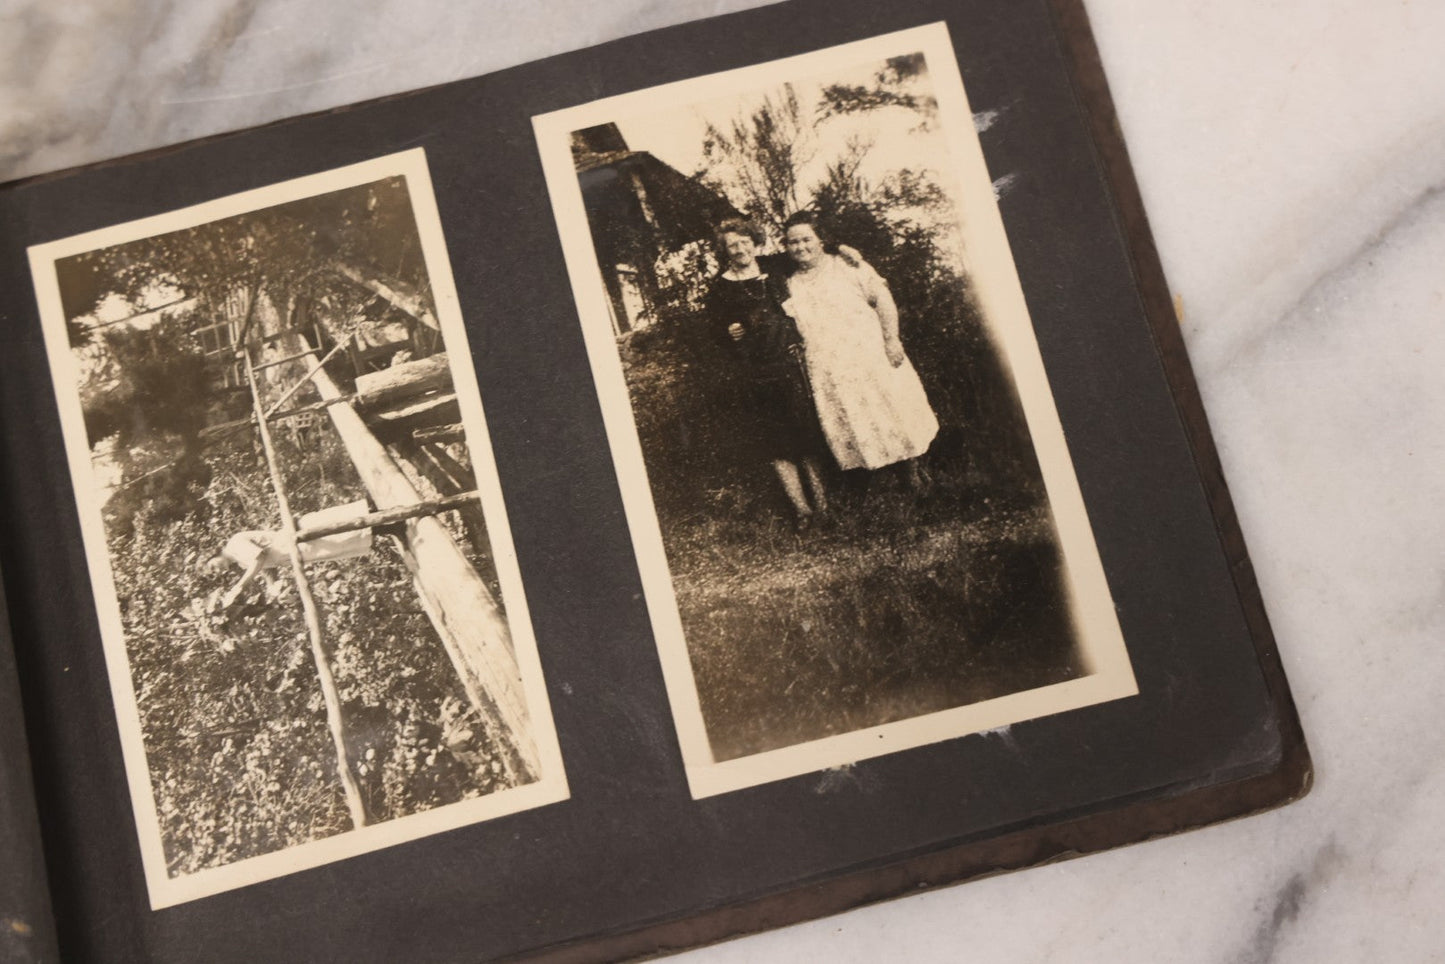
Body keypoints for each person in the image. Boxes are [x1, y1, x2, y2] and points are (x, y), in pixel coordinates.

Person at [779, 211, 938, 484]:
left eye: (806, 239)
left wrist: (892, 339)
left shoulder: (848, 265)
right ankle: (879, 482)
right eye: (793, 242)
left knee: (893, 408)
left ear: (821, 241)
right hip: (830, 367)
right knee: (857, 419)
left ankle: (914, 474)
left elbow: (883, 300)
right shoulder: (789, 283)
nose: (800, 247)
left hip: (870, 354)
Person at [702, 217, 830, 529]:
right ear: (724, 250)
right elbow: (712, 336)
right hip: (756, 373)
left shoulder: (773, 266)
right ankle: (802, 511)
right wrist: (726, 331)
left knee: (808, 438)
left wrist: (845, 248)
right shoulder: (719, 289)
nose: (740, 248)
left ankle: (824, 507)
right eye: (733, 244)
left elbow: (809, 249)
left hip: (791, 364)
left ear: (755, 242)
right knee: (778, 443)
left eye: (745, 242)